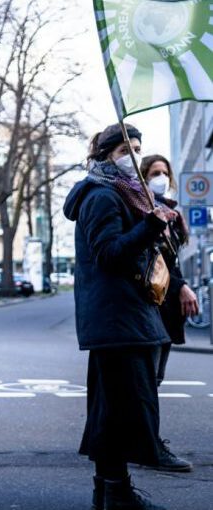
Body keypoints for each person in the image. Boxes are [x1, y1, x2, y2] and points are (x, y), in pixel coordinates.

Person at [64, 123, 171, 510]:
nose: (136, 157)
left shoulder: (123, 193)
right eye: (128, 149)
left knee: (113, 411)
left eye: (140, 148)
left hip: (122, 319)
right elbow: (108, 254)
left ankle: (110, 491)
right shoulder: (102, 196)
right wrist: (149, 226)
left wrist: (153, 224)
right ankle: (116, 492)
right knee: (120, 411)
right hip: (117, 320)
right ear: (108, 153)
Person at [140, 154, 196, 473]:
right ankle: (149, 444)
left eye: (164, 172)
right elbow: (153, 264)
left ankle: (145, 441)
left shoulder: (172, 214)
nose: (160, 177)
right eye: (154, 172)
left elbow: (171, 263)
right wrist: (183, 286)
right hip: (152, 305)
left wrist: (180, 285)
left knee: (153, 379)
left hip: (166, 304)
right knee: (147, 380)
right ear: (143, 177)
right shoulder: (145, 211)